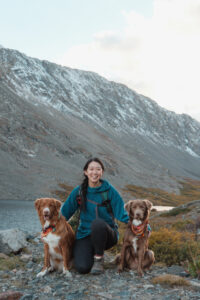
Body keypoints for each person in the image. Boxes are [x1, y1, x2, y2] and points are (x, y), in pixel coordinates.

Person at [61, 157, 129, 275]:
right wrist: (49, 228)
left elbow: (122, 214)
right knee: (82, 268)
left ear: (102, 172)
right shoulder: (79, 192)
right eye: (91, 169)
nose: (94, 172)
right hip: (85, 235)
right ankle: (91, 253)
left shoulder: (109, 191)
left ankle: (99, 259)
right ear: (85, 172)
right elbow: (64, 214)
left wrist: (142, 226)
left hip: (107, 234)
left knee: (97, 223)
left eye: (98, 169)